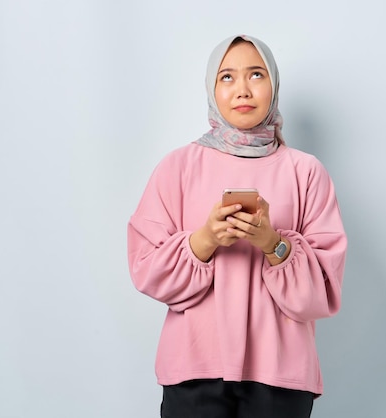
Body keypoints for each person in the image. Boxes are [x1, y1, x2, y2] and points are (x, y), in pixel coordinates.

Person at [127, 34, 347, 418]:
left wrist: (273, 243)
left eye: (256, 74)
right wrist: (205, 239)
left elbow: (323, 293)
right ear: (212, 88)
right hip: (194, 374)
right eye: (227, 77)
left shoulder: (306, 172)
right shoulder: (177, 167)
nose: (242, 89)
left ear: (274, 84)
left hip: (280, 379)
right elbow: (146, 269)